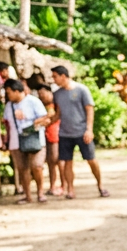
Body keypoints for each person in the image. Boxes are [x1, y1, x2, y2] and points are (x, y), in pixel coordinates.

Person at [50, 65, 109, 198]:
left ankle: (100, 185)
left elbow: (89, 109)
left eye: (55, 76)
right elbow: (58, 113)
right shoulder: (57, 94)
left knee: (91, 159)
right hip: (65, 133)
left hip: (82, 132)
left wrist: (89, 130)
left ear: (63, 76)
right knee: (67, 162)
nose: (53, 79)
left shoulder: (82, 90)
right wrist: (45, 121)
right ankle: (70, 190)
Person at [3, 79, 50, 204]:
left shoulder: (33, 101)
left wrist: (30, 120)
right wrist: (6, 140)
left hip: (34, 139)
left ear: (17, 91)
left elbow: (45, 118)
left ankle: (40, 192)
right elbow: (7, 123)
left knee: (37, 166)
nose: (8, 95)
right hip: (15, 140)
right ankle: (27, 195)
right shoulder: (9, 106)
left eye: (9, 92)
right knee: (22, 169)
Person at [35, 84, 63, 195]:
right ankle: (52, 186)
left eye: (43, 93)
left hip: (55, 134)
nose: (41, 96)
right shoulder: (43, 105)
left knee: (58, 161)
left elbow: (53, 117)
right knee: (51, 162)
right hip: (46, 135)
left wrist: (42, 121)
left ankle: (63, 185)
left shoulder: (55, 105)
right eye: (39, 94)